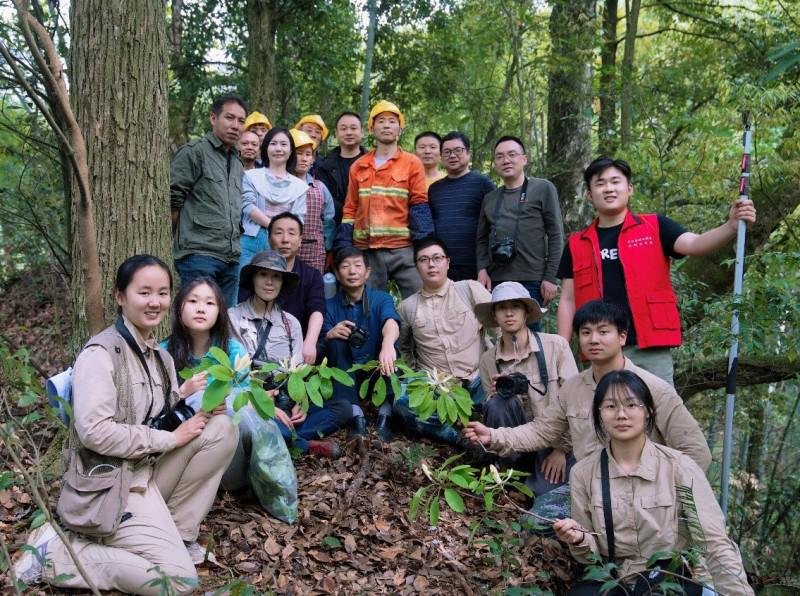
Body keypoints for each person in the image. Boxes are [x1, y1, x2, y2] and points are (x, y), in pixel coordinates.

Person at [14, 255, 238, 593]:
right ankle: (56, 554)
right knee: (178, 581)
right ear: (120, 297)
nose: (155, 302)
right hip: (113, 483)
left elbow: (157, 413)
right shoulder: (100, 354)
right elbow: (96, 432)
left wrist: (190, 401)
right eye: (144, 292)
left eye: (162, 293)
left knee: (222, 430)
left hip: (147, 472)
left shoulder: (159, 357)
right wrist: (170, 440)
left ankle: (174, 538)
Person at [464, 300, 711, 529]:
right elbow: (542, 431)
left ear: (622, 337)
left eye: (604, 332)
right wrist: (493, 435)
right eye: (586, 332)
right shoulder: (574, 388)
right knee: (534, 525)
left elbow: (696, 453)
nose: (594, 339)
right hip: (587, 489)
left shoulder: (654, 390)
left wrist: (664, 499)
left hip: (641, 497)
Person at [557, 156, 758, 385]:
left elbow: (695, 244)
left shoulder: (654, 226)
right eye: (600, 183)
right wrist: (560, 351)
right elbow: (568, 300)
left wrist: (730, 226)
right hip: (599, 349)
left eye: (615, 181)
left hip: (648, 347)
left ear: (629, 188)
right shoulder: (576, 243)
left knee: (659, 414)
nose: (609, 188)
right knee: (606, 415)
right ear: (589, 195)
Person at [553, 370, 754, 596]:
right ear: (599, 414)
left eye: (631, 405)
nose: (621, 414)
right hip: (616, 578)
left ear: (648, 411)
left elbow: (713, 542)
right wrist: (579, 538)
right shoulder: (583, 472)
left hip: (671, 576)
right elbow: (589, 556)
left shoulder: (680, 466)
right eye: (610, 406)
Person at [230, 251, 349, 458]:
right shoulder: (233, 317)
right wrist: (264, 404)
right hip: (254, 399)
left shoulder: (291, 323)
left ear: (283, 283)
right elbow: (237, 374)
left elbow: (297, 371)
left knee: (344, 409)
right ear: (252, 279)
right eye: (263, 275)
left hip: (285, 398)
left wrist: (300, 403)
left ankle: (283, 435)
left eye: (276, 277)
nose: (270, 282)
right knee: (250, 420)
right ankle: (302, 445)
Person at [473, 281, 578, 498]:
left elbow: (576, 403)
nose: (509, 313)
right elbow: (494, 411)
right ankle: (509, 470)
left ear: (526, 312)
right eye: (502, 307)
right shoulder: (488, 360)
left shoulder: (555, 346)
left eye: (515, 306)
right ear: (494, 315)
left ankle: (533, 480)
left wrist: (562, 450)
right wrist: (496, 393)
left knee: (541, 494)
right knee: (497, 402)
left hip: (555, 441)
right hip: (514, 442)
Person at [393, 236, 492, 445]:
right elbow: (404, 349)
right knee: (401, 402)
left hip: (478, 381)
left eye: (437, 258)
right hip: (436, 388)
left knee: (505, 400)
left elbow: (499, 330)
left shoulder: (470, 290)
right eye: (424, 260)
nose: (431, 264)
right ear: (416, 267)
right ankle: (460, 440)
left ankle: (480, 423)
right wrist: (416, 374)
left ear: (448, 261)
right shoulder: (407, 307)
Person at [337, 99, 433, 298]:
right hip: (367, 250)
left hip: (403, 248)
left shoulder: (412, 163)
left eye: (392, 121)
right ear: (372, 128)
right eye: (381, 121)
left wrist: (424, 244)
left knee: (421, 300)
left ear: (400, 128)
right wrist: (346, 244)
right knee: (368, 305)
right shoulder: (359, 165)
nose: (387, 125)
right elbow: (350, 208)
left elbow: (419, 204)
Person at [476, 135, 564, 330]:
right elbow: (481, 239)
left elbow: (556, 235)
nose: (506, 160)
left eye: (512, 154)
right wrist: (482, 269)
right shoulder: (490, 198)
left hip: (532, 279)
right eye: (499, 156)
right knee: (502, 340)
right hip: (497, 278)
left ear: (524, 159)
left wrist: (550, 278)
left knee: (530, 340)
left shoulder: (542, 188)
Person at [171, 93, 247, 307]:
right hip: (198, 253)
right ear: (213, 118)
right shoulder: (194, 152)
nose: (235, 126)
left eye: (241, 121)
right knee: (197, 319)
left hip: (230, 256)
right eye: (229, 118)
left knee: (223, 323)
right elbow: (173, 200)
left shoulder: (237, 161)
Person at [321, 246, 401, 441]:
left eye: (358, 265)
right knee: (335, 343)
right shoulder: (329, 305)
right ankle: (355, 414)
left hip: (376, 367)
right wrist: (330, 334)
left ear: (367, 273)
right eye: (345, 266)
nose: (352, 271)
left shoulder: (381, 298)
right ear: (337, 275)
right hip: (346, 372)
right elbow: (321, 345)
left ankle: (386, 412)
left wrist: (388, 344)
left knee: (390, 342)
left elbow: (391, 322)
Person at [238, 126, 308, 299]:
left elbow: (298, 219)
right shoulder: (251, 176)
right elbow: (246, 205)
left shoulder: (299, 186)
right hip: (249, 240)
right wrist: (273, 225)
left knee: (273, 292)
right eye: (273, 143)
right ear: (266, 147)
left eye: (283, 144)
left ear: (290, 150)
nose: (278, 148)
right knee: (242, 289)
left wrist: (281, 233)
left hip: (280, 243)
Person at [428, 131, 495, 281]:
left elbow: (495, 225)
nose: (452, 155)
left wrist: (485, 265)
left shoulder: (483, 184)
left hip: (475, 266)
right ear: (441, 156)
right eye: (447, 152)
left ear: (468, 153)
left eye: (458, 150)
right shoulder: (434, 189)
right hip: (442, 265)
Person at [269, 212, 326, 364]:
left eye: (291, 233)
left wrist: (309, 342)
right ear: (269, 239)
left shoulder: (312, 275)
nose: (285, 239)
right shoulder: (256, 274)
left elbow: (317, 309)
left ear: (300, 240)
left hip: (301, 344)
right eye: (278, 233)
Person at [289, 128, 335, 273]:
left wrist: (328, 248)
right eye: (299, 153)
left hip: (315, 251)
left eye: (308, 154)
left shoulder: (320, 188)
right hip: (285, 249)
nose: (304, 158)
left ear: (313, 159)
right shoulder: (281, 185)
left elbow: (329, 220)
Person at [316, 111, 367, 225]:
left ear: (362, 132)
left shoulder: (374, 163)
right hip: (335, 226)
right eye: (343, 129)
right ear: (336, 133)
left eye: (353, 128)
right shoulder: (324, 166)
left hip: (368, 225)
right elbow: (326, 199)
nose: (348, 132)